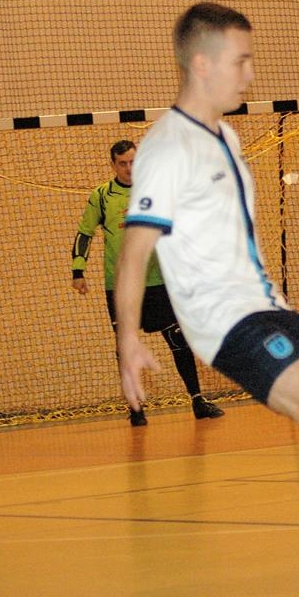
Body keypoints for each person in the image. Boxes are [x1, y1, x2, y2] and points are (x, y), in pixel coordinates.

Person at [113, 1, 299, 597]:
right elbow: (134, 256)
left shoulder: (226, 135)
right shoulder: (166, 149)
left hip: (269, 305)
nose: (250, 74)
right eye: (242, 60)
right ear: (202, 64)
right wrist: (129, 338)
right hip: (223, 318)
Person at [72, 139, 224, 426]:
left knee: (178, 339)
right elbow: (84, 233)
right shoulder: (102, 196)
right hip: (120, 286)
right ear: (113, 165)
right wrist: (77, 271)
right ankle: (136, 409)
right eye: (122, 163)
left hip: (156, 281)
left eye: (133, 162)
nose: (129, 168)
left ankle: (197, 400)